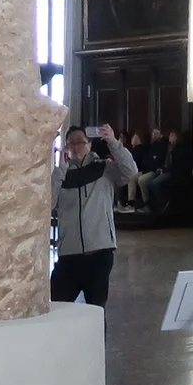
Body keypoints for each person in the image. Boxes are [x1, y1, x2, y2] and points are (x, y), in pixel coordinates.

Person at [50, 124, 138, 307]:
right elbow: (49, 203)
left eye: (81, 142)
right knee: (57, 308)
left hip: (99, 253)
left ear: (89, 144)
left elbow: (131, 171)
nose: (76, 147)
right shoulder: (61, 174)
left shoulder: (104, 168)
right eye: (71, 143)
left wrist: (113, 142)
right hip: (69, 255)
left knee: (96, 311)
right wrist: (60, 169)